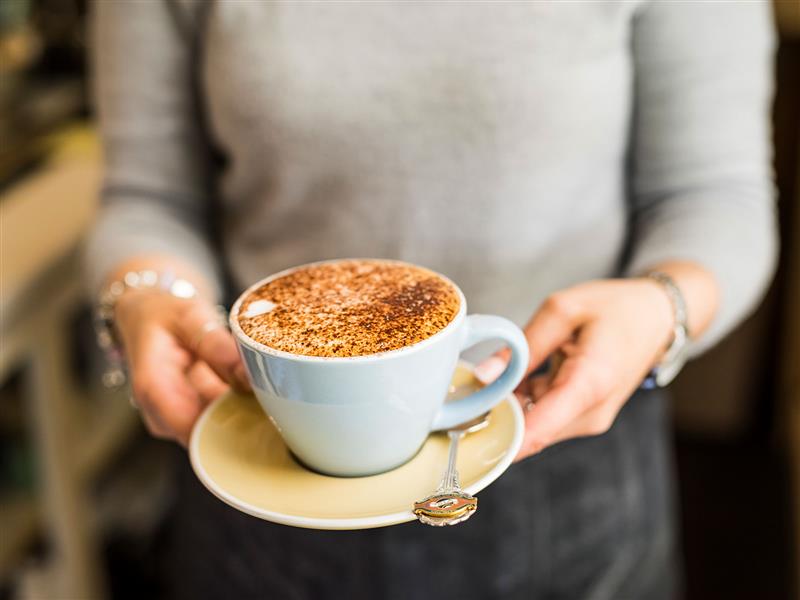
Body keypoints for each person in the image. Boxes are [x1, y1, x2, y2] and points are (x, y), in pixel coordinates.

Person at [87, 2, 776, 598]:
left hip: (563, 437)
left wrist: (661, 307)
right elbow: (151, 196)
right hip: (262, 449)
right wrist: (146, 293)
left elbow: (716, 197)